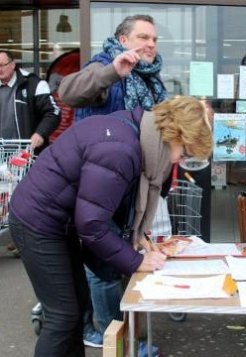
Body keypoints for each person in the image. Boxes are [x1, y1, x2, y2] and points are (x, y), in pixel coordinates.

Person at [9, 95, 213, 357]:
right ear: (174, 132)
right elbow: (92, 224)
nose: (177, 160)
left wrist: (136, 238)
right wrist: (135, 261)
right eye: (183, 152)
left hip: (57, 220)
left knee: (78, 308)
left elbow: (107, 202)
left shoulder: (139, 132)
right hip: (37, 221)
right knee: (63, 316)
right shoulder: (120, 149)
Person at [58, 14, 169, 347]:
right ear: (123, 41)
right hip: (100, 182)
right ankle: (112, 337)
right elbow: (69, 91)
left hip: (130, 182)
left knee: (123, 255)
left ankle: (120, 331)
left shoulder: (151, 78)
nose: (150, 44)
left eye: (154, 38)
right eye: (143, 37)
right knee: (103, 262)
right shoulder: (104, 66)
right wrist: (111, 72)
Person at [0, 49, 60, 256]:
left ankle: (24, 239)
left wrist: (39, 134)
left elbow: (53, 113)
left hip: (25, 154)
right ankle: (13, 236)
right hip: (2, 154)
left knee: (24, 199)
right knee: (4, 199)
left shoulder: (33, 84)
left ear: (12, 64)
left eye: (2, 65)